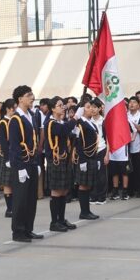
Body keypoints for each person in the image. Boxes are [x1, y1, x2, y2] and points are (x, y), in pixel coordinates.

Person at [8, 85, 42, 242]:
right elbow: (14, 146)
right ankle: (18, 231)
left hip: (32, 162)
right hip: (21, 164)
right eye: (29, 95)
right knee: (20, 199)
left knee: (31, 198)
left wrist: (36, 162)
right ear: (20, 99)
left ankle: (28, 229)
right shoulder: (16, 119)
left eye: (32, 94)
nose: (32, 97)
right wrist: (20, 167)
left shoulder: (32, 115)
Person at [44, 98, 77, 233]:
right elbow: (62, 130)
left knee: (64, 190)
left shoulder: (61, 122)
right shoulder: (50, 123)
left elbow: (67, 132)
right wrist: (75, 119)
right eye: (59, 106)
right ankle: (54, 221)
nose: (62, 107)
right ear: (52, 109)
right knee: (56, 191)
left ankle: (61, 219)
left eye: (63, 105)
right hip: (55, 160)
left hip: (64, 159)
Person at [73, 99, 105, 219]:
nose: (91, 109)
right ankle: (84, 211)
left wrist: (96, 157)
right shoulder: (80, 123)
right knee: (83, 185)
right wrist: (81, 160)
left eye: (91, 107)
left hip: (92, 156)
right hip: (84, 158)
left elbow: (95, 142)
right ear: (81, 110)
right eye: (87, 107)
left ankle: (87, 210)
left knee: (88, 185)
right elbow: (78, 142)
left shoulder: (90, 122)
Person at [0, 100, 16, 212]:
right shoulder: (4, 122)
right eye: (14, 107)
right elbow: (3, 141)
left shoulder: (13, 120)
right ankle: (9, 209)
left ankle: (13, 207)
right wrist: (7, 158)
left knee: (13, 181)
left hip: (14, 154)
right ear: (8, 109)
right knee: (7, 183)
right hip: (7, 154)